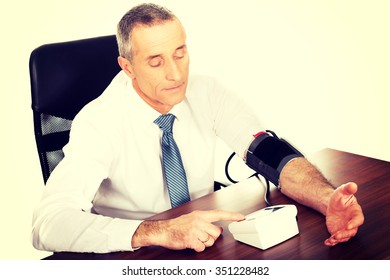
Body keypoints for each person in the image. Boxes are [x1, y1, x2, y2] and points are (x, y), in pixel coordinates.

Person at [32, 3, 364, 254]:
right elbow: (47, 224)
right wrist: (158, 232)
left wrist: (326, 199)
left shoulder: (206, 91)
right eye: (156, 61)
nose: (176, 75)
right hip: (136, 252)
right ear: (127, 67)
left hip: (205, 240)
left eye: (180, 53)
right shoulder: (98, 122)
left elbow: (267, 151)